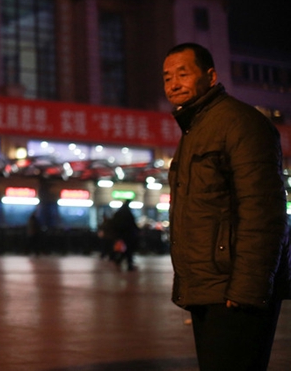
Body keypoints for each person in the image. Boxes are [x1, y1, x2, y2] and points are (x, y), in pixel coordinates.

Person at [163, 42, 291, 370]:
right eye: (167, 77)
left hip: (235, 292)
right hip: (209, 288)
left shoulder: (240, 124)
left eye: (183, 74)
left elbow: (263, 211)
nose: (173, 84)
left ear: (210, 76)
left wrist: (247, 289)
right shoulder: (196, 130)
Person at [110, 200, 138, 271]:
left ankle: (120, 260)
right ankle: (128, 264)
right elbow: (132, 223)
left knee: (125, 248)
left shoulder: (118, 212)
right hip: (128, 233)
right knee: (129, 248)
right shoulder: (128, 212)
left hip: (120, 233)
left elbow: (113, 223)